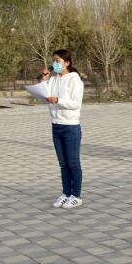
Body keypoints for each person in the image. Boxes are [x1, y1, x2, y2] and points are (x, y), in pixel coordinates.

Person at [42, 49, 85, 210]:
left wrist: (58, 100)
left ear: (67, 63)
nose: (55, 64)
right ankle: (66, 193)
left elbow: (75, 103)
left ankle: (76, 196)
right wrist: (45, 81)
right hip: (56, 125)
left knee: (73, 162)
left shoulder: (74, 80)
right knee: (63, 164)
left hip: (70, 126)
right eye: (53, 61)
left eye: (58, 61)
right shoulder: (53, 79)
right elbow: (45, 96)